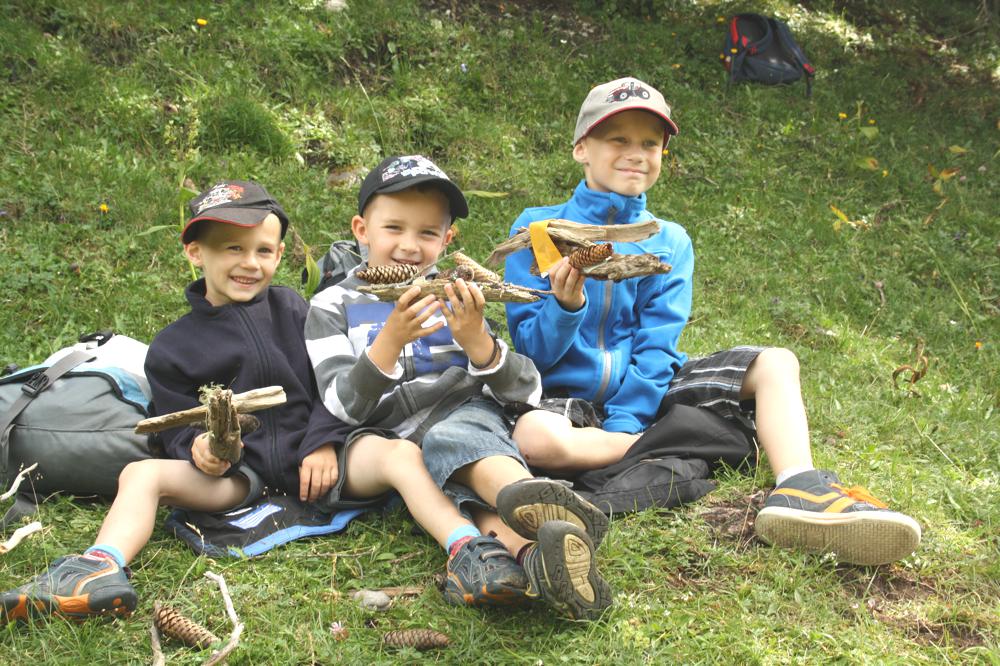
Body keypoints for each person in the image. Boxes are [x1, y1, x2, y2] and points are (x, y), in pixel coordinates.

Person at [3, 180, 496, 624]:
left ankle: (467, 549)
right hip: (242, 477)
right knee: (141, 475)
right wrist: (201, 450)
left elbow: (331, 384)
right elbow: (173, 424)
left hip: (327, 462)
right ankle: (100, 566)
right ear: (196, 252)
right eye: (232, 248)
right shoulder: (174, 346)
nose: (250, 263)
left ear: (280, 254)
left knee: (399, 454)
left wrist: (323, 442)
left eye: (264, 250)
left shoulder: (295, 309)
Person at [504, 77, 922, 567]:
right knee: (533, 438)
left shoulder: (671, 240)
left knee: (776, 362)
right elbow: (532, 350)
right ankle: (666, 446)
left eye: (649, 143)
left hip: (648, 396)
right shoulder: (538, 228)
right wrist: (565, 308)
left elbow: (658, 343)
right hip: (565, 400)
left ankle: (798, 487)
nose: (636, 153)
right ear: (582, 148)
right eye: (618, 139)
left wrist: (626, 422)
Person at [305, 155, 612, 619]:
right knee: (436, 449)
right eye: (394, 228)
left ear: (448, 239)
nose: (410, 246)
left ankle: (537, 542)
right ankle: (534, 526)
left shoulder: (456, 295)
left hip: (457, 419)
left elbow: (525, 391)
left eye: (427, 233)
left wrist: (477, 342)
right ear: (361, 229)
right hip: (380, 437)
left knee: (457, 436)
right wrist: (388, 343)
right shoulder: (331, 305)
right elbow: (341, 405)